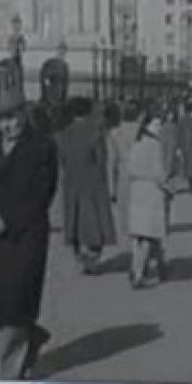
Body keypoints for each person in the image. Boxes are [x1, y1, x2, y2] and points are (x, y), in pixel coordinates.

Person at [0, 98, 56, 380]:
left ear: (24, 117)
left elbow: (42, 194)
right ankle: (32, 334)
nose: (10, 125)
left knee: (15, 304)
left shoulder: (43, 147)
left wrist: (9, 220)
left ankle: (9, 377)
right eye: (4, 120)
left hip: (25, 236)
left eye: (15, 118)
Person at [55, 98, 117, 274]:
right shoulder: (95, 133)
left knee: (75, 221)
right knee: (95, 222)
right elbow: (102, 160)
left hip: (72, 183)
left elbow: (62, 162)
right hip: (92, 183)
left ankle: (80, 254)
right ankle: (92, 256)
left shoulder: (63, 134)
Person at [125, 107, 169, 288]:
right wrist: (168, 186)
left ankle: (140, 268)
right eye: (157, 123)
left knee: (139, 236)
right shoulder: (154, 145)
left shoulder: (137, 143)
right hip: (151, 192)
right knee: (149, 236)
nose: (160, 127)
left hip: (136, 191)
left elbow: (130, 169)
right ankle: (138, 273)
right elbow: (159, 173)